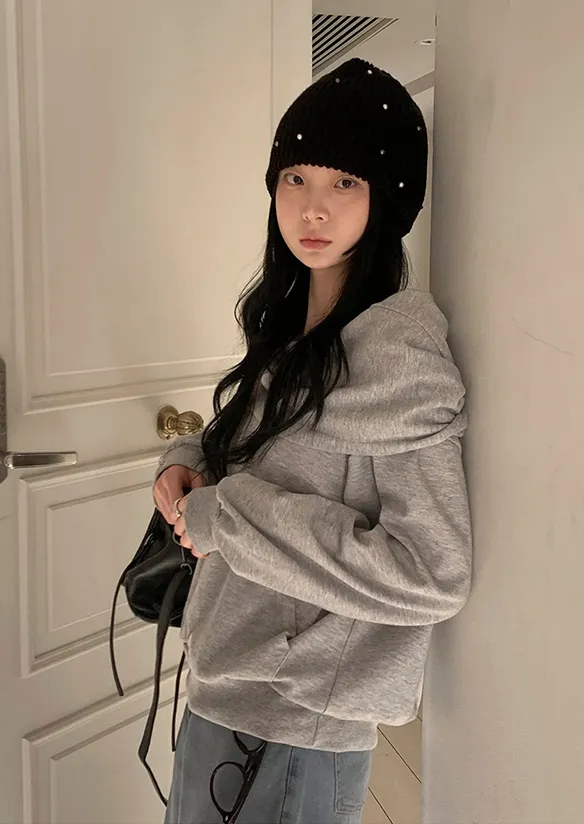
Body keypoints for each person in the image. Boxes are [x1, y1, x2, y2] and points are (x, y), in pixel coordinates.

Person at [153, 57, 472, 824]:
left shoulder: (396, 356)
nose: (312, 207)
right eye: (296, 178)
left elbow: (432, 573)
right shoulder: (294, 330)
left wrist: (228, 521)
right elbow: (266, 460)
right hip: (227, 693)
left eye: (344, 182)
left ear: (386, 198)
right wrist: (188, 464)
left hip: (292, 729)